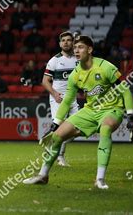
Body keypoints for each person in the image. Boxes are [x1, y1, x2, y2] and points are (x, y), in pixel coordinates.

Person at [24, 35, 133, 189]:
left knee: (105, 129)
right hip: (89, 111)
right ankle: (43, 175)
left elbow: (125, 90)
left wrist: (130, 114)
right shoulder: (75, 74)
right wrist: (55, 124)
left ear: (90, 50)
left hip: (112, 109)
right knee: (56, 137)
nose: (76, 50)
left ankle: (100, 179)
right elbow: (67, 100)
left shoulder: (105, 67)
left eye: (80, 47)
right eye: (75, 47)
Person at [41, 31, 79, 167]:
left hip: (72, 99)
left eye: (69, 40)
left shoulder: (78, 60)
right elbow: (45, 81)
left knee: (78, 128)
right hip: (58, 98)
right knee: (62, 127)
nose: (66, 42)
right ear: (59, 43)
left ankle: (51, 143)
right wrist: (55, 93)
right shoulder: (54, 61)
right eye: (63, 40)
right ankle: (60, 156)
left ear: (73, 43)